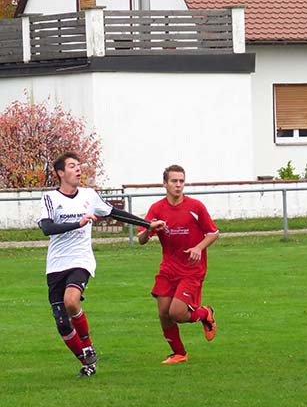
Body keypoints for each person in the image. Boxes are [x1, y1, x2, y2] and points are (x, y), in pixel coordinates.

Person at [39, 151, 164, 377]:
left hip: (80, 260)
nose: (78, 169)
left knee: (71, 300)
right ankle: (87, 363)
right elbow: (47, 228)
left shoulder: (89, 195)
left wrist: (148, 224)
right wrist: (77, 223)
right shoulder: (50, 198)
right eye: (71, 166)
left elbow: (114, 212)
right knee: (62, 323)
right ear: (60, 173)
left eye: (78, 165)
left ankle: (87, 345)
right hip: (56, 264)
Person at [138, 164, 219, 364]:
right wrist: (150, 229)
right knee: (164, 313)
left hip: (192, 269)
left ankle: (205, 314)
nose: (178, 185)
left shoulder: (196, 207)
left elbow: (214, 233)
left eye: (181, 181)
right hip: (168, 269)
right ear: (165, 184)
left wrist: (199, 248)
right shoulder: (157, 208)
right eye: (174, 181)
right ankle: (179, 354)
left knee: (177, 313)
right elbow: (141, 238)